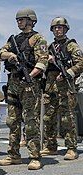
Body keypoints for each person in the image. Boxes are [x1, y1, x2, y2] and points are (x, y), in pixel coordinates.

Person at [0, 8, 48, 170]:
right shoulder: (14, 39)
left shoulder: (38, 39)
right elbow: (0, 53)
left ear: (31, 20)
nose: (19, 22)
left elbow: (42, 61)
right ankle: (13, 155)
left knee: (31, 121)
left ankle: (34, 156)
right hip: (13, 83)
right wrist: (10, 56)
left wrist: (30, 76)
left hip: (29, 84)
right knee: (12, 120)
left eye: (22, 19)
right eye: (18, 20)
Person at [41, 17, 83, 160]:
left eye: (60, 27)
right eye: (55, 28)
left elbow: (80, 64)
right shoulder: (50, 47)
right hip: (51, 86)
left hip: (66, 86)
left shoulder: (71, 46)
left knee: (67, 118)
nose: (57, 30)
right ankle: (51, 145)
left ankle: (71, 148)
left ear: (65, 29)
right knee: (48, 117)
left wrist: (68, 74)